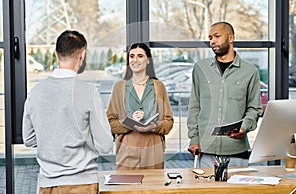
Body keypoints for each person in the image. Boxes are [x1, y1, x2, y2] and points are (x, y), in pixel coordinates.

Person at [22, 30, 113, 194]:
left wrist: (54, 138)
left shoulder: (36, 91)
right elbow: (105, 145)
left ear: (57, 54)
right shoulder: (88, 92)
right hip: (82, 184)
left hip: (46, 184)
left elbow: (28, 139)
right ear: (82, 54)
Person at [187, 22, 263, 168]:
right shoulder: (200, 69)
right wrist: (194, 138)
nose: (212, 41)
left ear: (231, 38)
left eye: (217, 36)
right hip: (206, 152)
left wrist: (244, 127)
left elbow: (255, 108)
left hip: (237, 152)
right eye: (210, 38)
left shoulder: (250, 71)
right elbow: (194, 107)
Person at [106, 42, 174, 170]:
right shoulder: (119, 87)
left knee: (153, 187)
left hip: (153, 147)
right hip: (127, 148)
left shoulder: (158, 86)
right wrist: (129, 123)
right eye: (131, 56)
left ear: (148, 60)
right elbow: (110, 123)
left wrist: (155, 126)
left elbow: (168, 121)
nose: (135, 60)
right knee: (126, 188)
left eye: (140, 56)